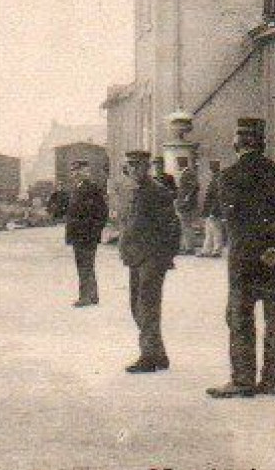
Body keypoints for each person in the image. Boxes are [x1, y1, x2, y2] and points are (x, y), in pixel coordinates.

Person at [207, 118, 275, 398]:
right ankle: (273, 381)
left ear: (236, 144)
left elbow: (234, 221)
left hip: (246, 262)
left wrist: (258, 247)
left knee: (240, 318)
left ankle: (243, 380)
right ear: (263, 143)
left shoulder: (228, 177)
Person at [118, 151, 180, 372]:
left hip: (152, 258)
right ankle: (158, 355)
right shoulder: (133, 190)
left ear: (147, 167)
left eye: (138, 166)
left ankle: (149, 357)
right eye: (130, 166)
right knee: (137, 306)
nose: (133, 170)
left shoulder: (157, 192)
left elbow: (173, 226)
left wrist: (165, 256)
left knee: (147, 307)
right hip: (136, 257)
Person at [64, 159, 108, 306]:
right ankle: (93, 295)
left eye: (78, 171)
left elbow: (102, 212)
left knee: (85, 265)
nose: (74, 174)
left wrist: (95, 231)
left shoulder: (91, 188)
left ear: (85, 172)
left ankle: (85, 297)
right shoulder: (78, 188)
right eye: (73, 171)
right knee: (85, 265)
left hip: (86, 235)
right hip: (79, 234)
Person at [199, 159, 226, 258]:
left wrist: (213, 210)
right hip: (212, 208)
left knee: (216, 230)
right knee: (209, 230)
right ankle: (206, 250)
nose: (211, 169)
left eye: (212, 167)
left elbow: (217, 197)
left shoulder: (217, 179)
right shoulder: (216, 178)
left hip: (214, 209)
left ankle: (217, 250)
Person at [175, 156, 201, 255]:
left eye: (178, 164)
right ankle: (186, 246)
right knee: (185, 225)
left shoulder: (188, 173)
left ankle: (189, 248)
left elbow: (195, 186)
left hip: (186, 204)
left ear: (181, 164)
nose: (177, 166)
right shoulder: (186, 173)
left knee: (186, 225)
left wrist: (187, 197)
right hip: (183, 203)